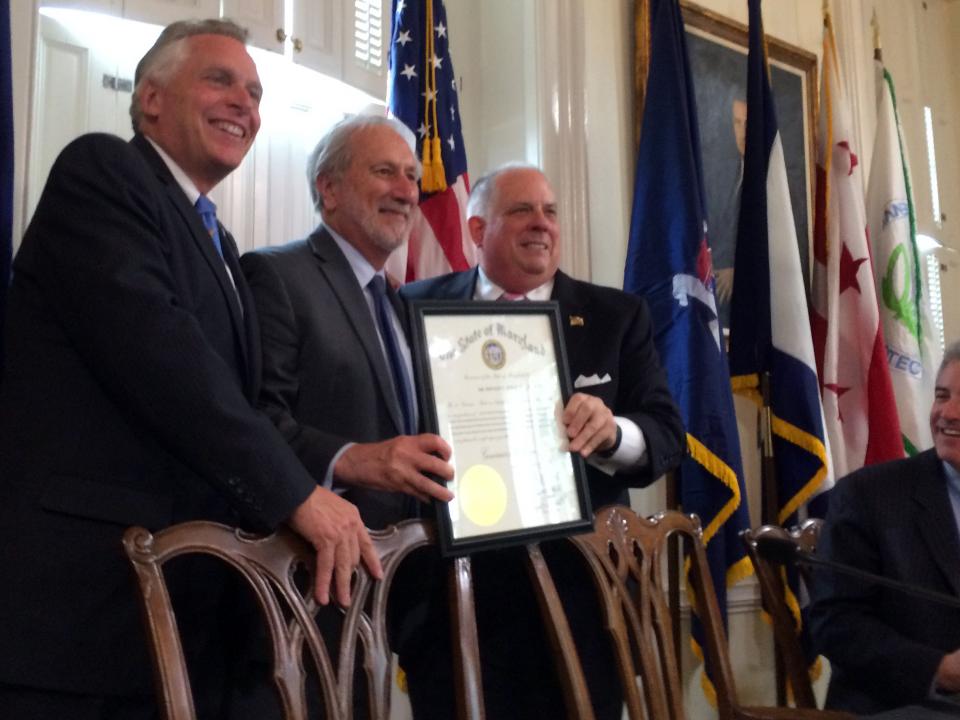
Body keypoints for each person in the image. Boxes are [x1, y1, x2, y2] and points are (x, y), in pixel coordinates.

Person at [0, 20, 380, 719]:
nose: (245, 102)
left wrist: (337, 473)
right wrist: (298, 495)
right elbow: (164, 359)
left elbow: (246, 406)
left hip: (185, 616)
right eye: (220, 79)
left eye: (256, 92)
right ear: (151, 99)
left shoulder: (223, 244)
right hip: (83, 616)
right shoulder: (104, 173)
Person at [401, 163, 685, 719]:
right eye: (521, 211)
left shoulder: (615, 316)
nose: (542, 224)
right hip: (452, 599)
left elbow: (666, 436)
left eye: (550, 211)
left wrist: (613, 434)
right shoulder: (412, 305)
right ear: (478, 230)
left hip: (581, 598)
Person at [240, 115, 454, 529]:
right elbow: (259, 420)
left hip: (414, 564)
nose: (407, 192)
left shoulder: (401, 301)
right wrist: (350, 459)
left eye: (411, 176)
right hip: (319, 566)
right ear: (329, 188)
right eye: (384, 172)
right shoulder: (277, 275)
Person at [810, 340, 960, 714]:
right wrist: (939, 670)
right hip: (906, 704)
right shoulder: (868, 496)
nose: (949, 413)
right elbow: (835, 622)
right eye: (942, 395)